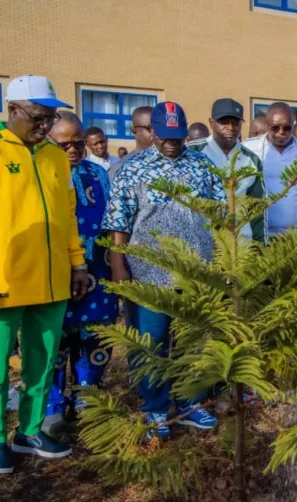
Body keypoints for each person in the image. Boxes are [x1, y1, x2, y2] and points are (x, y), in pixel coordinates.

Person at [102, 101, 226, 438]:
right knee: (150, 343)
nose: (172, 142)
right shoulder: (132, 168)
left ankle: (190, 402)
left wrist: (222, 261)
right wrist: (118, 265)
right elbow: (118, 221)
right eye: (166, 136)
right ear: (152, 132)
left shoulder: (202, 166)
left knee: (193, 342)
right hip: (147, 273)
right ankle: (155, 408)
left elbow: (219, 217)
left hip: (195, 274)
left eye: (178, 136)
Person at [0, 75, 89, 471]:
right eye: (38, 116)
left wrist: (77, 264)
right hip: (6, 282)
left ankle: (29, 430)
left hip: (52, 282)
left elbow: (67, 215)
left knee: (42, 360)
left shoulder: (54, 156)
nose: (45, 124)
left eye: (50, 116)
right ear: (13, 110)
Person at [43, 112, 119, 431]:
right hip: (54, 272)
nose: (73, 150)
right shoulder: (42, 173)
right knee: (55, 342)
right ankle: (53, 406)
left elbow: (113, 219)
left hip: (98, 270)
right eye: (64, 144)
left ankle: (88, 399)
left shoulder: (97, 173)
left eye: (78, 143)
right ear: (49, 140)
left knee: (95, 338)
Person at [187, 98, 267, 242]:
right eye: (224, 121)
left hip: (241, 243)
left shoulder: (252, 160)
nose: (230, 127)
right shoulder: (192, 152)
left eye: (236, 122)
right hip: (201, 243)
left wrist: (261, 246)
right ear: (211, 123)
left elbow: (258, 209)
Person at [243, 102, 297, 237]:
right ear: (267, 125)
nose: (281, 132)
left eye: (287, 128)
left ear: (293, 126)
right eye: (275, 128)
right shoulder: (249, 150)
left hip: (295, 236)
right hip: (258, 235)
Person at [108, 106, 154, 180]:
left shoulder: (171, 162)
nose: (155, 133)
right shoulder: (120, 169)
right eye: (149, 128)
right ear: (134, 131)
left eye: (158, 128)